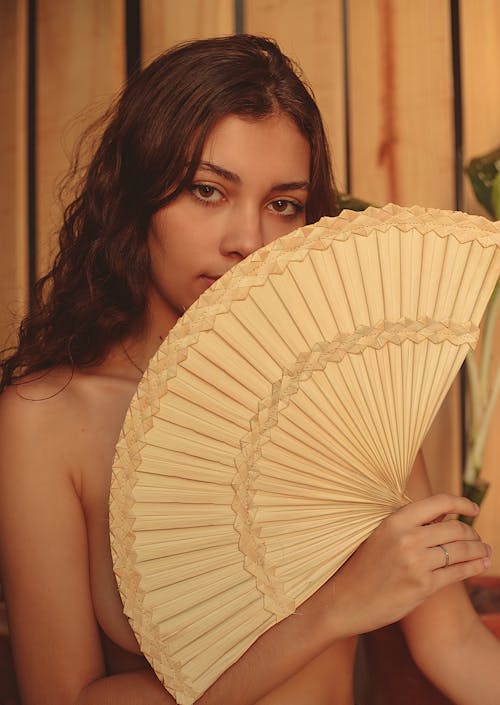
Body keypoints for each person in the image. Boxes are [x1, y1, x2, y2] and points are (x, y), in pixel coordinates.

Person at [0, 34, 498, 705]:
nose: (247, 242)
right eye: (207, 190)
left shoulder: (355, 395)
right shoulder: (49, 421)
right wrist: (332, 609)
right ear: (138, 195)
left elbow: (456, 650)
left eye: (283, 204)